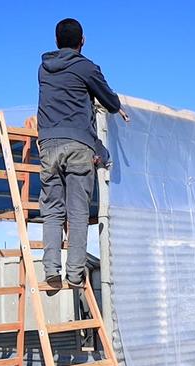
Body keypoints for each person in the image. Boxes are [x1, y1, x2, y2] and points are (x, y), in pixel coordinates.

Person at [37, 17, 128, 290]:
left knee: (52, 210)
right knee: (77, 212)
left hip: (49, 145)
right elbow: (109, 100)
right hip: (78, 146)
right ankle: (75, 273)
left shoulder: (43, 69)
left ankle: (51, 268)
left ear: (56, 41)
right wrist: (117, 107)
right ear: (83, 41)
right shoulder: (86, 67)